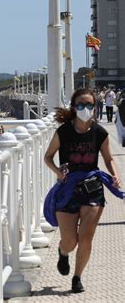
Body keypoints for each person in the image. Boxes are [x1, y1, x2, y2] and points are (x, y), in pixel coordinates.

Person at [44, 88, 122, 293]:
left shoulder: (100, 133)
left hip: (92, 187)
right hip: (67, 188)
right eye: (80, 105)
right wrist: (57, 172)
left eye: (89, 105)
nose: (85, 109)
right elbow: (48, 156)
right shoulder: (63, 132)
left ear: (95, 107)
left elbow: (108, 158)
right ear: (73, 107)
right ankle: (63, 252)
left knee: (86, 237)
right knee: (71, 241)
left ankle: (77, 277)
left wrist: (115, 175)